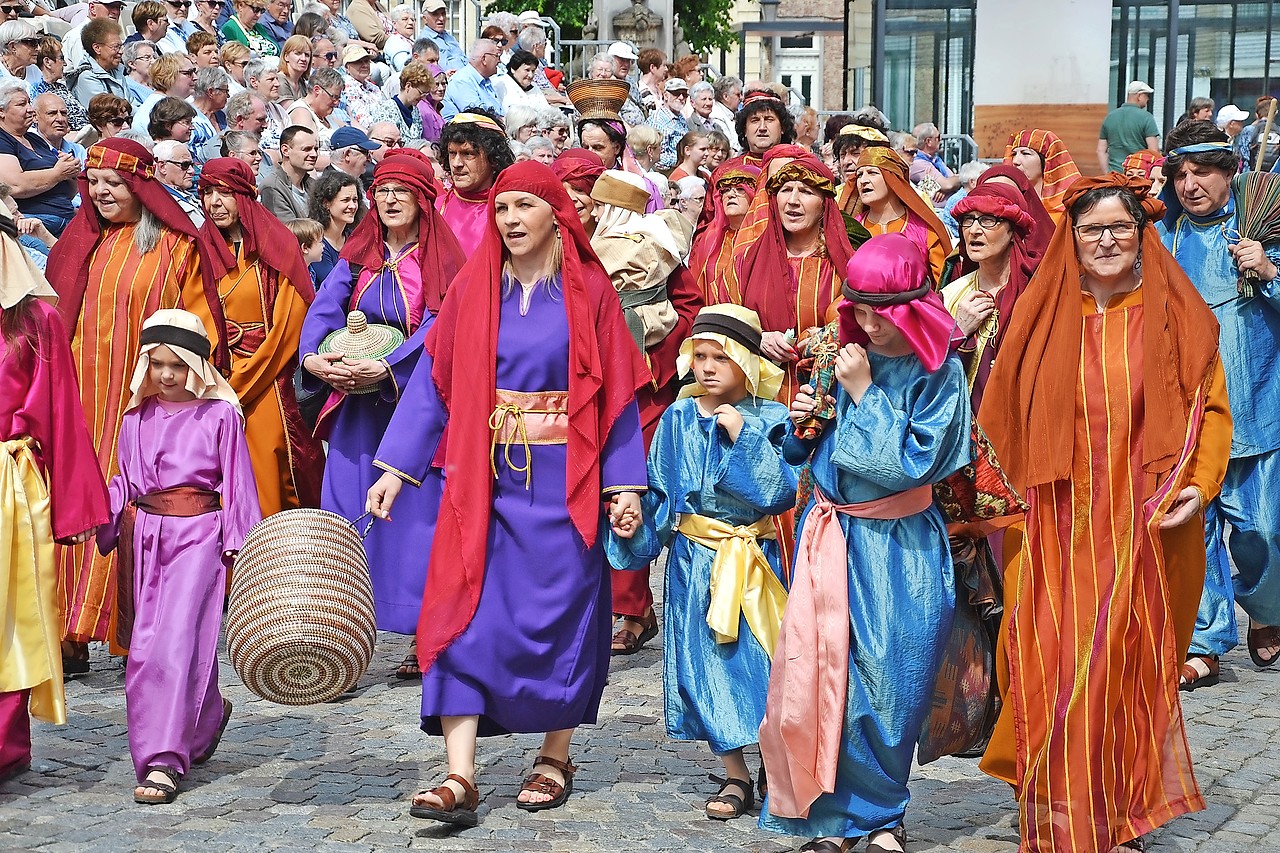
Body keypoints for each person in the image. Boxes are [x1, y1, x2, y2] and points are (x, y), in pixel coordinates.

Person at [365, 158, 647, 824]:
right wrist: (395, 468)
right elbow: (436, 385)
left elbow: (617, 399)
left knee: (561, 623)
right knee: (460, 619)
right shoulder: (472, 289)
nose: (511, 219)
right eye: (501, 208)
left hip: (564, 485)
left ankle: (554, 755)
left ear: (556, 214)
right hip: (484, 481)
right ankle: (459, 774)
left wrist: (625, 482)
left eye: (524, 206)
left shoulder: (590, 292)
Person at [981, 174, 1230, 852]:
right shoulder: (1040, 318)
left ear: (1144, 234)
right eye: (1094, 229)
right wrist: (997, 501)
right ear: (1073, 237)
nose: (1108, 240)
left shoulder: (1177, 317)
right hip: (1053, 524)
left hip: (1140, 524)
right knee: (1050, 664)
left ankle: (1113, 813)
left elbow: (1210, 412)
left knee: (1120, 664)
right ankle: (1061, 799)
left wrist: (1199, 486)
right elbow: (998, 419)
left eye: (1122, 227)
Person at [758, 233, 972, 853]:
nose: (870, 323)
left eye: (884, 310)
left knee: (892, 682)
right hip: (833, 538)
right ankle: (834, 821)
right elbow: (802, 450)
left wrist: (862, 396)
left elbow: (916, 463)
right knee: (828, 675)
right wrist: (802, 422)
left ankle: (883, 813)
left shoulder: (940, 374)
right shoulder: (841, 355)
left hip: (901, 546)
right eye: (861, 308)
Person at [607, 303, 792, 821]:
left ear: (747, 363)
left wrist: (743, 438)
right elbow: (662, 494)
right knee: (705, 671)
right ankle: (734, 772)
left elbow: (780, 491)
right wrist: (634, 521)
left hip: (756, 562)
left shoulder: (771, 419)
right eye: (700, 356)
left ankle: (774, 764)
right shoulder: (678, 419)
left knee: (764, 666)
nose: (707, 368)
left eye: (721, 358)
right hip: (695, 567)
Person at [47, 136, 224, 666]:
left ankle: (129, 629)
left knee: (134, 505)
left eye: (114, 183)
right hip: (82, 396)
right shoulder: (81, 242)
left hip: (143, 399)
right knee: (76, 500)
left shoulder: (175, 246)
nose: (101, 191)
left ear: (140, 186)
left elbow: (197, 323)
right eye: (94, 181)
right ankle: (67, 628)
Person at [300, 150, 463, 676]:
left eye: (403, 191)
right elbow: (326, 306)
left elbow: (438, 325)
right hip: (356, 407)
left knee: (415, 521)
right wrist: (314, 357)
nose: (390, 199)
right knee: (347, 511)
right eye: (383, 190)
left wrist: (388, 368)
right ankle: (336, 636)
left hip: (411, 406)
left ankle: (425, 634)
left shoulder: (441, 259)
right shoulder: (360, 253)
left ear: (423, 198)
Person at [96, 308, 259, 805]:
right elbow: (126, 481)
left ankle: (162, 761)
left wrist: (243, 547)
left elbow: (237, 484)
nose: (166, 375)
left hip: (199, 538)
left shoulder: (221, 416)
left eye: (177, 365)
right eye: (157, 364)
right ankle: (206, 714)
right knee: (149, 646)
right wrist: (92, 514)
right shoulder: (136, 418)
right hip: (146, 537)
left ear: (197, 365)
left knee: (175, 642)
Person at [1157, 121, 1280, 687]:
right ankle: (1205, 638)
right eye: (1180, 174)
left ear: (1230, 171)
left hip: (1258, 404)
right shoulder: (1162, 240)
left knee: (1261, 530)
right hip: (1188, 412)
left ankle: (1268, 609)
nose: (1190, 184)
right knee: (1194, 525)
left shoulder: (1263, 229)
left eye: (1202, 171)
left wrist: (1269, 270)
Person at [0, 214, 108, 785]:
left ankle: (3, 743)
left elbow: (62, 412)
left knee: (9, 615)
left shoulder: (36, 319)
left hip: (9, 486)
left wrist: (77, 506)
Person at [191, 157, 324, 516]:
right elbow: (190, 313)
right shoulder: (197, 249)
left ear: (245, 196)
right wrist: (212, 377)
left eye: (224, 193)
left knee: (270, 460)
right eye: (207, 193)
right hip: (210, 376)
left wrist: (243, 381)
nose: (214, 202)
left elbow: (288, 324)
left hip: (265, 377)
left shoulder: (276, 246)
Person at [720, 148, 855, 407]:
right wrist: (757, 337)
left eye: (805, 191)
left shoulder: (846, 268)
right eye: (785, 190)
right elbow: (722, 325)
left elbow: (866, 328)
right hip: (757, 405)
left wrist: (828, 337)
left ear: (825, 202)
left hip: (828, 400)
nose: (793, 201)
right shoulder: (744, 263)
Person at [941, 181, 1043, 413]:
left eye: (988, 220)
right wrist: (958, 331)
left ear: (1012, 231)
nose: (974, 230)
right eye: (968, 219)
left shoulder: (1038, 290)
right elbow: (926, 372)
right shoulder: (951, 295)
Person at [849, 146, 953, 286]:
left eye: (872, 172)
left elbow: (944, 287)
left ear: (892, 179)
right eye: (859, 174)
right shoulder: (852, 228)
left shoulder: (925, 230)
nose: (863, 180)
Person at [0, 81, 78, 237]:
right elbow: (14, 185)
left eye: (29, 103)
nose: (30, 109)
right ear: (1, 111)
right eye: (22, 104)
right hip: (33, 222)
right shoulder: (2, 139)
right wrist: (58, 173)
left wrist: (71, 172)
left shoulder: (36, 140)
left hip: (66, 216)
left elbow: (67, 192)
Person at [435, 109, 513, 253]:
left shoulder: (508, 212)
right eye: (452, 153)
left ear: (493, 158)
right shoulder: (437, 208)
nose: (456, 163)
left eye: (468, 154)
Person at [690, 160, 760, 304]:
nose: (731, 194)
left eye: (740, 189)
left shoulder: (764, 240)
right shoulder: (710, 239)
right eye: (725, 190)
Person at [1004, 128, 1082, 223]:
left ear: (1047, 161)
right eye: (1014, 154)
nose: (1015, 161)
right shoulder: (1007, 202)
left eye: (1025, 153)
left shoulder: (1069, 205)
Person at [304, 168, 361, 286]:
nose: (352, 206)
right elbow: (334, 285)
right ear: (326, 203)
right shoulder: (316, 243)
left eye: (355, 200)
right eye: (345, 200)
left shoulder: (354, 238)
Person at [1098, 80, 1161, 174]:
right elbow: (1153, 151)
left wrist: (1107, 173)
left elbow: (1100, 150)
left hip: (1114, 174)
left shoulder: (1110, 117)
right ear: (1139, 96)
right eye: (1146, 96)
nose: (1147, 99)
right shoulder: (1146, 117)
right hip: (1137, 174)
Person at [259, 124, 317, 221]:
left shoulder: (313, 184)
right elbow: (286, 229)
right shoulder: (272, 186)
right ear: (285, 151)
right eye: (306, 149)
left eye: (316, 149)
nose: (314, 154)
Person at [32, 37, 90, 133]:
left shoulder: (61, 87)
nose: (65, 64)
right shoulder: (39, 92)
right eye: (61, 58)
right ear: (47, 62)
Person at [131, 52, 196, 136]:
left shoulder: (180, 103)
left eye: (194, 71)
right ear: (169, 75)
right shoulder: (155, 109)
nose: (195, 77)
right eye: (189, 73)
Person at [439, 37, 503, 122]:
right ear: (484, 59)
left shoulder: (485, 81)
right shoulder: (462, 81)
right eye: (497, 56)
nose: (500, 61)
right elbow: (478, 118)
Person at [69, 18, 128, 107]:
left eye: (121, 46)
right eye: (116, 47)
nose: (121, 51)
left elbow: (132, 103)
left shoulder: (117, 71)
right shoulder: (87, 77)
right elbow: (108, 112)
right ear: (97, 48)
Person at [366, 60, 429, 143]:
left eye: (425, 95)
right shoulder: (387, 110)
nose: (423, 98)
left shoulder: (415, 111)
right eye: (420, 93)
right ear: (408, 86)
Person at [735, 89, 794, 164]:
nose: (762, 128)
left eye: (769, 119)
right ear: (745, 129)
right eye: (755, 120)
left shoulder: (799, 169)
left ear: (782, 127)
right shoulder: (725, 172)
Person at [154, 139, 202, 226]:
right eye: (185, 165)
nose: (192, 171)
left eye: (192, 165)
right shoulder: (160, 203)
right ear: (162, 167)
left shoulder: (183, 192)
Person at [647, 78, 689, 171]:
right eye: (676, 93)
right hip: (665, 173)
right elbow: (658, 158)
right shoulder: (659, 120)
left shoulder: (680, 116)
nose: (681, 97)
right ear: (666, 95)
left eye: (685, 94)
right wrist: (685, 159)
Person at [340, 44, 384, 131]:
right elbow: (363, 120)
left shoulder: (373, 87)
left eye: (366, 61)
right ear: (347, 67)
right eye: (358, 61)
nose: (364, 65)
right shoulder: (347, 87)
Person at [420, 0, 463, 73]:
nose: (441, 18)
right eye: (435, 14)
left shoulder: (449, 37)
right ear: (425, 19)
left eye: (443, 14)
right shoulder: (424, 41)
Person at [276, 34, 312, 106]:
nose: (303, 59)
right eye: (298, 53)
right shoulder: (279, 81)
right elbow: (292, 111)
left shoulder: (302, 83)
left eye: (307, 55)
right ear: (286, 56)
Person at [122, 41, 157, 109]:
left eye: (154, 57)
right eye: (147, 58)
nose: (153, 61)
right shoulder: (127, 86)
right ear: (132, 64)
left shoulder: (158, 82)